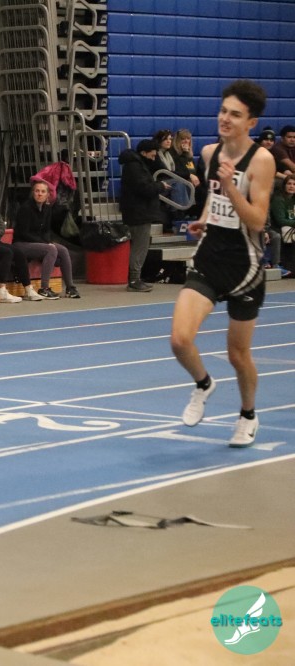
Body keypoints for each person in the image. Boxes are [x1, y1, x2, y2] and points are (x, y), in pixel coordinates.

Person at [169, 80, 275, 448]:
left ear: (251, 122)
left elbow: (257, 221)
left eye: (235, 114)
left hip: (244, 267)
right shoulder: (209, 152)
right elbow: (214, 200)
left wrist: (231, 187)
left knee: (237, 354)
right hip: (210, 257)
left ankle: (248, 414)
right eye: (223, 110)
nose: (225, 118)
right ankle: (203, 384)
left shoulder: (261, 161)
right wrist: (204, 218)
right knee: (180, 339)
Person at [12, 181, 81, 300]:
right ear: (33, 193)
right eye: (37, 191)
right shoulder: (25, 208)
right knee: (51, 249)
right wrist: (45, 243)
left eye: (43, 191)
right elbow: (23, 233)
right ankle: (44, 288)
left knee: (63, 250)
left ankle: (70, 288)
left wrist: (47, 241)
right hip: (21, 243)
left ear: (48, 195)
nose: (39, 194)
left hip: (38, 242)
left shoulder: (47, 209)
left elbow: (46, 231)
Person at [119, 139, 170, 292]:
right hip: (138, 212)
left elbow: (159, 168)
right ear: (143, 153)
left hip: (138, 211)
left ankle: (135, 278)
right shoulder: (135, 167)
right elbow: (145, 188)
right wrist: (160, 186)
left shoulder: (136, 164)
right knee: (140, 247)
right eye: (152, 155)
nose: (154, 159)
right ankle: (134, 279)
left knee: (140, 246)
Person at [269, 174, 295, 271]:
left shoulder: (293, 200)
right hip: (276, 228)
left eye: (294, 184)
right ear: (284, 185)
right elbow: (280, 220)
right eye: (289, 184)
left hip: (289, 227)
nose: (291, 186)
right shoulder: (278, 199)